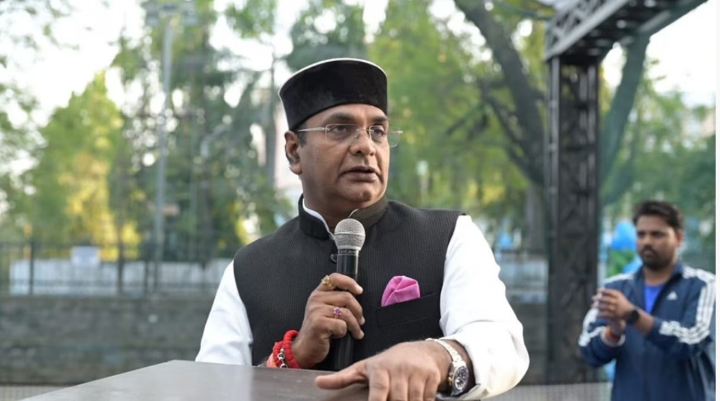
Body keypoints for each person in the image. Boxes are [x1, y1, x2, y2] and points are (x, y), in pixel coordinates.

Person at [196, 58, 528, 400]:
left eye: (378, 131)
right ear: (294, 152)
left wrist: (433, 357)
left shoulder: (448, 236)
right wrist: (292, 356)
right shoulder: (249, 269)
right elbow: (208, 390)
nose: (366, 146)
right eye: (340, 129)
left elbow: (500, 343)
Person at [579, 200, 715, 401]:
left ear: (679, 238)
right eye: (641, 234)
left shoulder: (702, 285)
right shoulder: (615, 288)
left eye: (657, 234)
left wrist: (634, 316)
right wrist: (613, 333)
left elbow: (692, 341)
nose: (647, 241)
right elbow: (588, 350)